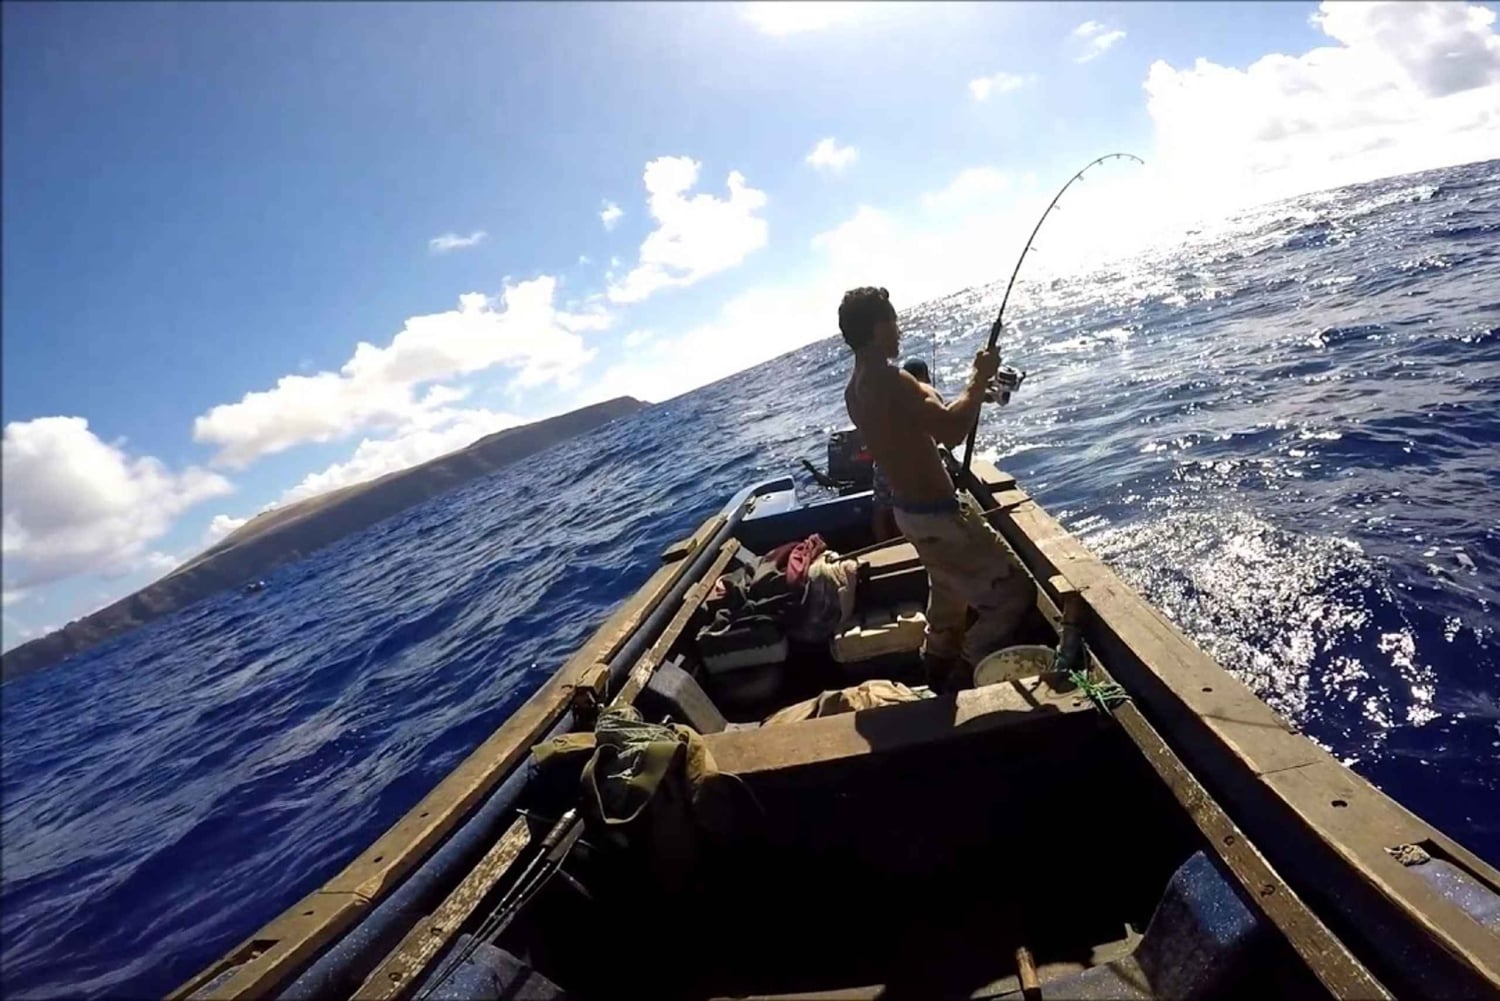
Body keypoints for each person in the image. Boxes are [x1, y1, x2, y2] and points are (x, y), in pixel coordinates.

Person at [840, 286, 1035, 691]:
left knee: (947, 593)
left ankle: (937, 666)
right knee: (1014, 594)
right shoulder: (893, 380)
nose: (898, 330)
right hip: (939, 515)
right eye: (893, 321)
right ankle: (970, 663)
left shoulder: (854, 389)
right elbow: (951, 431)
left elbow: (906, 428)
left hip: (908, 514)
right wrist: (979, 379)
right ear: (878, 327)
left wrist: (956, 392)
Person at [870, 359, 941, 543]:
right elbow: (948, 436)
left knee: (882, 507)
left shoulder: (891, 406)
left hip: (884, 470)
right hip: (917, 504)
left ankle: (886, 546)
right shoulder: (921, 401)